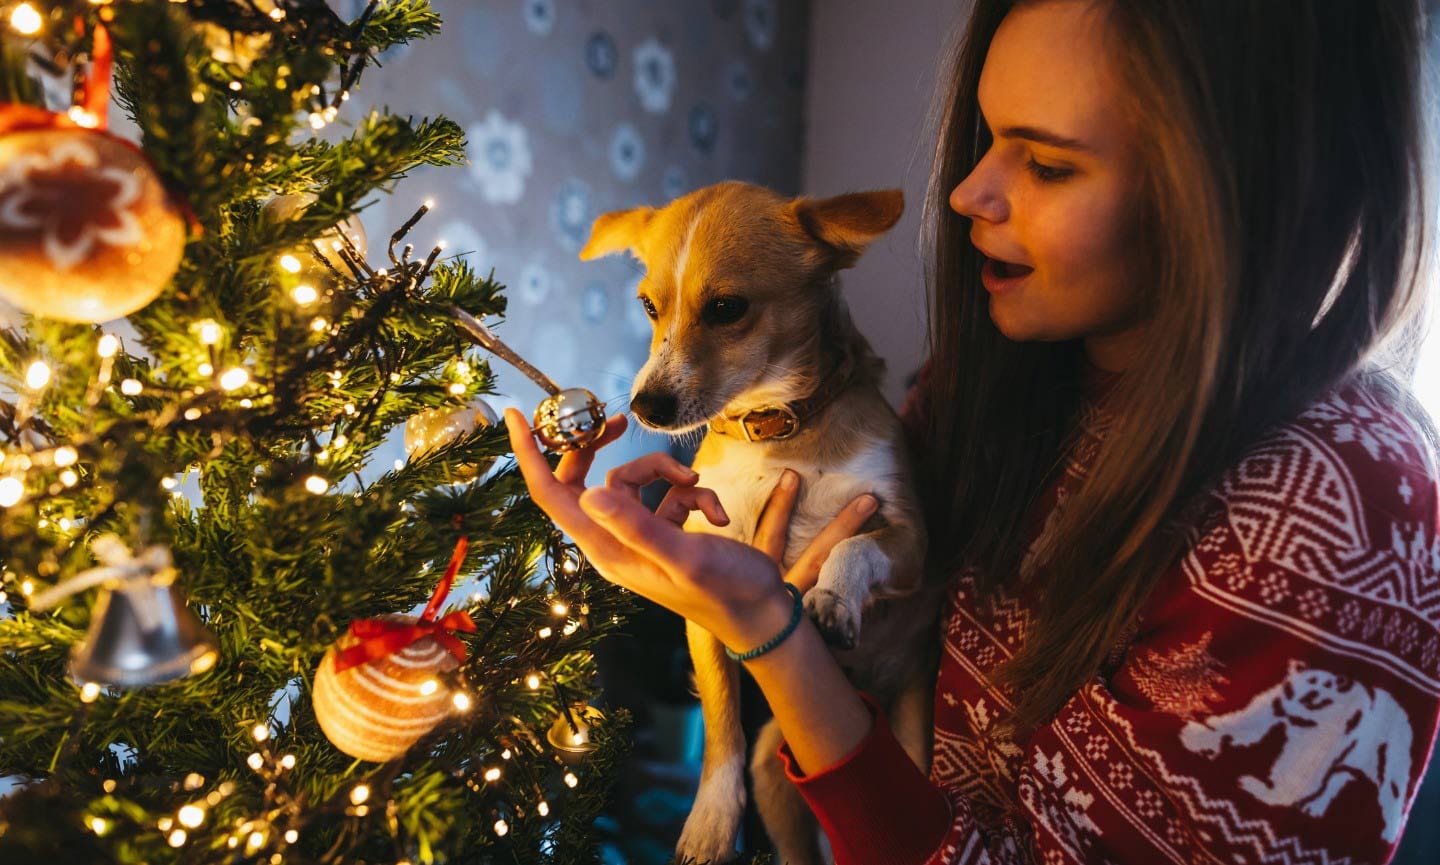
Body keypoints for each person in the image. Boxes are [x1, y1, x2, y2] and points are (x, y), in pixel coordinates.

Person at [504, 0, 1440, 862]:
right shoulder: (992, 384)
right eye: (990, 139)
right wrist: (706, 597)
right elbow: (875, 640)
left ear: (1237, 180)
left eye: (1048, 162)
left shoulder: (1341, 517)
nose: (964, 194)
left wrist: (772, 631)